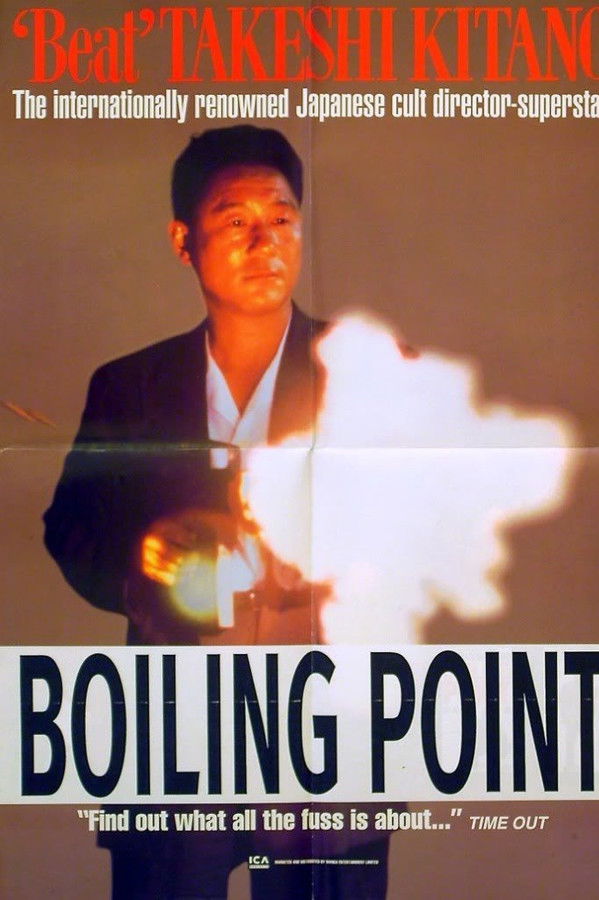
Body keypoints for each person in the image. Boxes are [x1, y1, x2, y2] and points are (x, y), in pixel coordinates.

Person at [44, 125, 390, 898]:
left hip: (324, 721)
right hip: (173, 722)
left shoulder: (366, 370)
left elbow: (424, 525)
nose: (264, 241)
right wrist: (142, 568)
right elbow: (71, 528)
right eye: (236, 220)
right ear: (183, 241)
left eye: (281, 217)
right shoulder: (129, 385)